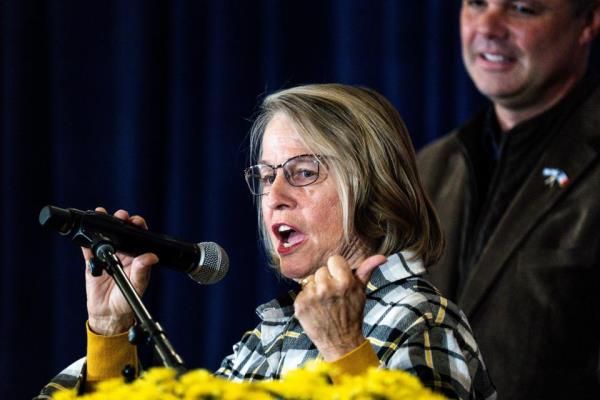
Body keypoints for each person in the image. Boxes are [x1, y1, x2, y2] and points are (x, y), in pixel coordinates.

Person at [37, 84, 496, 400]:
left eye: (302, 173)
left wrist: (345, 350)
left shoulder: (422, 320)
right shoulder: (265, 339)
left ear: (373, 190)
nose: (274, 197)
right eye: (265, 176)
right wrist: (111, 333)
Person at [417, 1, 600, 398]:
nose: (489, 26)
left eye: (521, 8)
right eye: (476, 3)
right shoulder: (426, 169)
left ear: (587, 22)